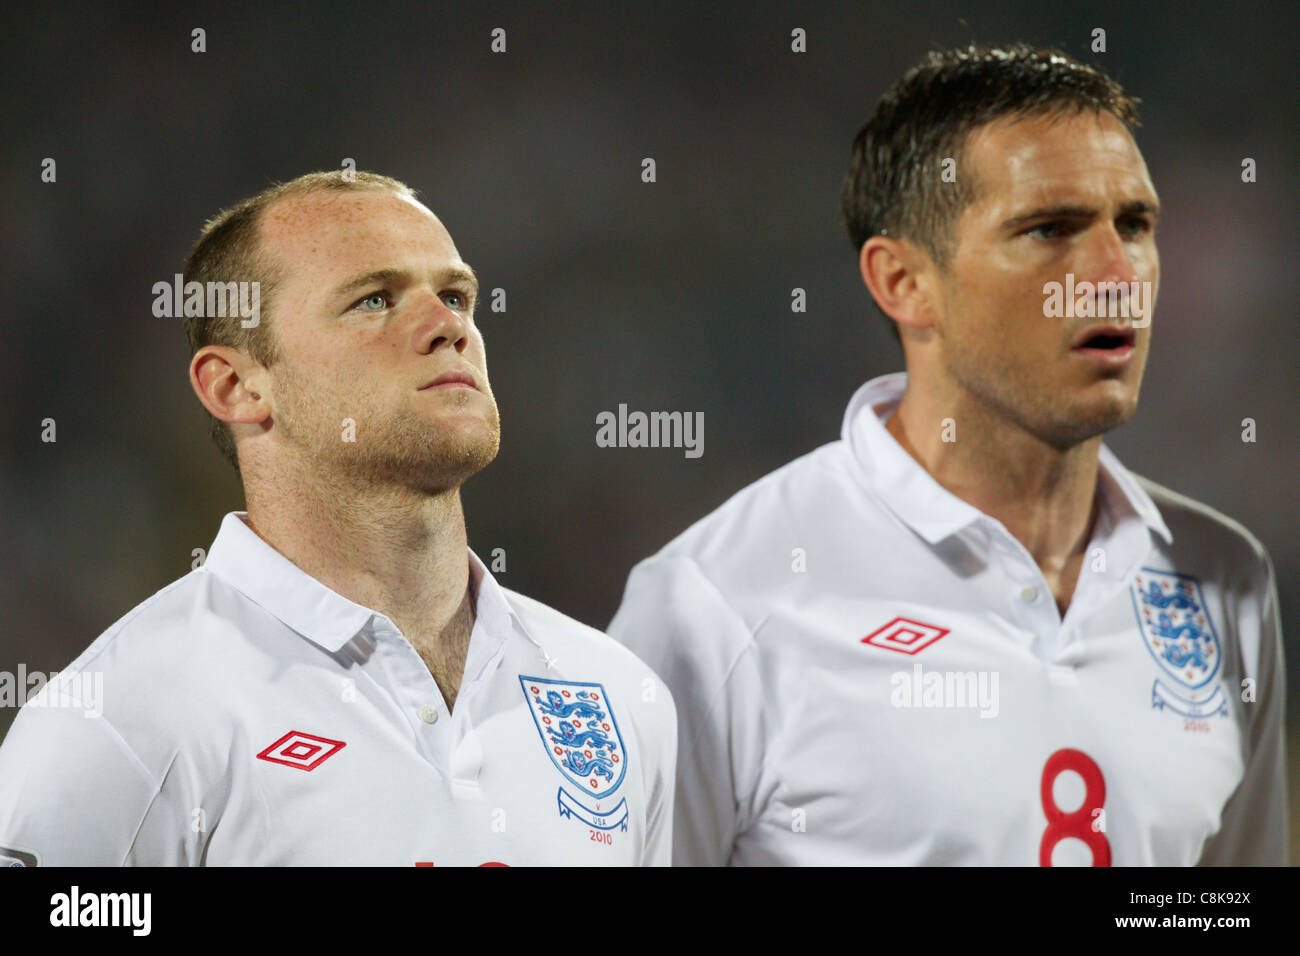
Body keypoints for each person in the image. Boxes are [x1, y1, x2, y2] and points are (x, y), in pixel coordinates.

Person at [608, 44, 1286, 866]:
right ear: (903, 283)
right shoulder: (714, 607)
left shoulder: (1223, 580)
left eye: (1135, 225)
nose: (1114, 273)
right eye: (1049, 229)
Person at [0, 171, 675, 866]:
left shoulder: (616, 694)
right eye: (374, 300)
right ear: (236, 385)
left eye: (455, 296)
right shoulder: (121, 724)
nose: (448, 327)